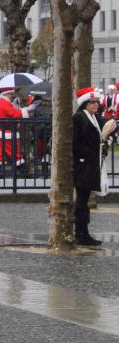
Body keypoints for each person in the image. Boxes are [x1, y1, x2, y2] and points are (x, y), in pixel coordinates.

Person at [72, 89, 106, 246]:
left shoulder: (94, 118)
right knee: (82, 199)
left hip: (91, 163)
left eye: (97, 102)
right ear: (85, 104)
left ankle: (83, 231)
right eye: (92, 102)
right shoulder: (79, 118)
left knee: (84, 199)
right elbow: (76, 142)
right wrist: (86, 155)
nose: (96, 105)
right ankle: (80, 232)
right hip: (83, 163)